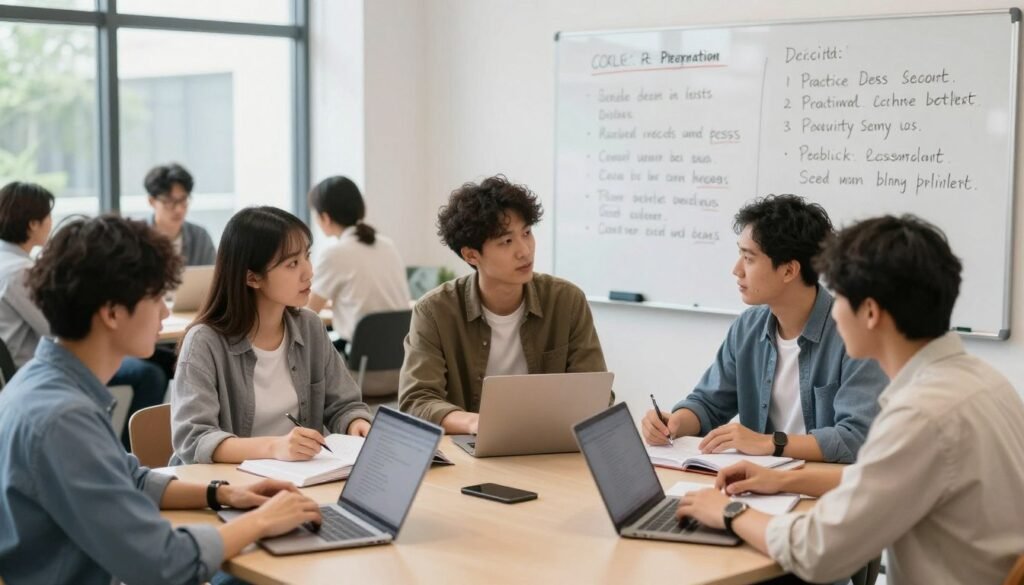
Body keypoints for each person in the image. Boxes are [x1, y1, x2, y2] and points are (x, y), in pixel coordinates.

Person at [676, 215, 1024, 584]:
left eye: (840, 297)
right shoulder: (984, 383)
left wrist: (729, 512)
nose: (832, 311)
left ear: (871, 313)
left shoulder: (921, 415)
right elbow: (879, 479)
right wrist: (783, 480)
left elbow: (818, 551)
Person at [0, 214, 322, 585]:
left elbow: (131, 480)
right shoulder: (62, 418)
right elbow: (164, 563)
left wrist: (227, 494)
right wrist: (263, 520)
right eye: (155, 297)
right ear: (112, 312)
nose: (167, 312)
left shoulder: (49, 386)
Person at [641, 195, 886, 463]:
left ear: (789, 271)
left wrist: (769, 443)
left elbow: (855, 439)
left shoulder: (855, 335)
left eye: (749, 258)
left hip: (822, 488)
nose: (736, 270)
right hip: (760, 483)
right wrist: (674, 423)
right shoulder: (748, 327)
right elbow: (708, 404)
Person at [399, 175, 607, 434]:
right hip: (469, 449)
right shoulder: (435, 312)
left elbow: (595, 394)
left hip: (549, 446)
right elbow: (416, 402)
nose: (525, 251)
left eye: (527, 233)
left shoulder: (566, 301)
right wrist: (477, 423)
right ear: (471, 255)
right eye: (507, 241)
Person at [171, 206, 372, 465]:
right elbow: (194, 439)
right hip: (228, 487)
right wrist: (275, 447)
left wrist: (356, 423)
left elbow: (345, 405)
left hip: (297, 480)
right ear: (252, 278)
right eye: (292, 264)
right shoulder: (204, 342)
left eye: (307, 256)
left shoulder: (310, 327)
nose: (309, 272)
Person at [0, 181, 168, 450]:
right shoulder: (63, 419)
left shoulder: (8, 263)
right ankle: (130, 449)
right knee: (153, 372)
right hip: (42, 360)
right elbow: (58, 326)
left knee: (157, 361)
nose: (165, 311)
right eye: (47, 217)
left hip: (33, 368)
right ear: (33, 224)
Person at [306, 175, 411, 351]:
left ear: (325, 217)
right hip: (399, 358)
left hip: (362, 362)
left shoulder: (335, 254)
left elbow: (308, 312)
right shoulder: (387, 245)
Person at [144, 162, 216, 266]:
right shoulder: (137, 238)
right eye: (169, 201)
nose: (178, 209)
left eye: (183, 200)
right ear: (152, 201)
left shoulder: (200, 237)